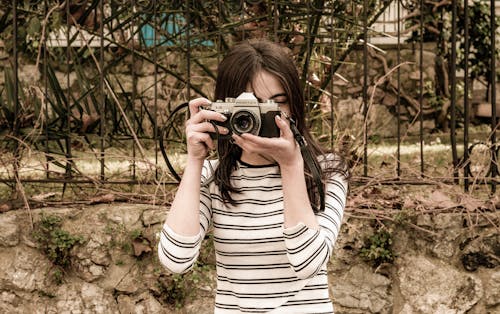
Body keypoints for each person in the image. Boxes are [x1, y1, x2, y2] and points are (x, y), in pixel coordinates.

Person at [158, 38, 349, 313]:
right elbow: (175, 260)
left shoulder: (327, 171)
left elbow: (307, 263)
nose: (260, 118)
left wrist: (291, 165)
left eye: (277, 104)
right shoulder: (213, 177)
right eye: (252, 107)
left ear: (294, 106)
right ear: (224, 109)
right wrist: (195, 160)